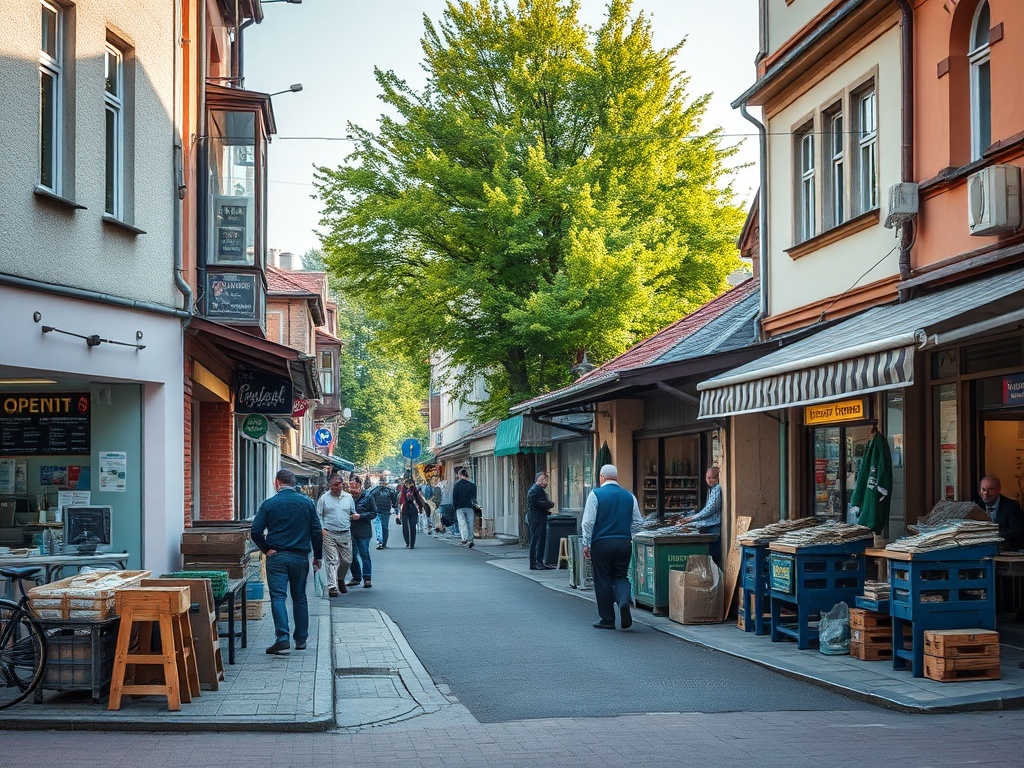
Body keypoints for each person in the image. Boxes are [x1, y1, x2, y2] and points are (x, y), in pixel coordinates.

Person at [251, 469, 323, 654]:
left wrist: (267, 549)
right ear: (294, 483)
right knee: (299, 597)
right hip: (300, 557)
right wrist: (318, 556)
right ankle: (301, 639)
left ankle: (282, 637)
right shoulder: (307, 503)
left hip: (277, 556)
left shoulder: (269, 504)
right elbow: (316, 531)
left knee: (278, 597)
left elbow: (255, 531)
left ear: (277, 483)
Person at [582, 464, 644, 630]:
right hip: (623, 543)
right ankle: (624, 600)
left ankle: (607, 619)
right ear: (616, 477)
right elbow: (638, 522)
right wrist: (629, 535)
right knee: (620, 576)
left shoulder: (595, 495)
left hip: (601, 543)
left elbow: (588, 522)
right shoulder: (629, 496)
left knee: (603, 580)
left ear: (601, 477)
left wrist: (586, 544)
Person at [316, 473, 353, 597]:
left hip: (345, 532)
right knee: (332, 560)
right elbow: (318, 515)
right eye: (333, 485)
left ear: (342, 485)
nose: (335, 487)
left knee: (347, 560)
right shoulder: (324, 498)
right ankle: (332, 586)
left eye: (338, 485)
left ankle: (340, 578)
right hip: (329, 532)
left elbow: (352, 512)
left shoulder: (348, 498)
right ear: (329, 486)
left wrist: (355, 516)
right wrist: (321, 528)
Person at [681, 467, 723, 564]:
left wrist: (693, 518)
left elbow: (710, 510)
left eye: (713, 477)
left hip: (713, 527)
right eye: (708, 477)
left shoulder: (717, 489)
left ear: (718, 478)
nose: (710, 480)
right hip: (709, 526)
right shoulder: (712, 490)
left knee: (713, 557)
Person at [976, 475, 1024, 551]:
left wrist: (994, 536)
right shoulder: (976, 506)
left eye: (990, 489)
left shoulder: (1012, 506)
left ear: (999, 490)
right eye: (983, 489)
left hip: (1007, 551)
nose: (986, 493)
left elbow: (1017, 530)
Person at [345, 476, 377, 588]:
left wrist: (360, 516)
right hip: (349, 530)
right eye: (350, 485)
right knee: (351, 555)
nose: (352, 488)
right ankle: (356, 577)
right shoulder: (346, 497)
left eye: (354, 485)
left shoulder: (367, 496)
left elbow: (374, 513)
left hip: (363, 530)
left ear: (359, 485)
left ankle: (367, 577)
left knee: (364, 553)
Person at [527, 471, 555, 570]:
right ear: (540, 480)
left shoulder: (536, 489)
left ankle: (537, 562)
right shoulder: (537, 490)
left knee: (536, 539)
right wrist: (551, 504)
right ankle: (537, 562)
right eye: (545, 479)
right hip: (537, 518)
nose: (546, 482)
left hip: (536, 517)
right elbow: (542, 503)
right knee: (538, 539)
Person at [367, 476, 398, 550]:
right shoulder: (390, 491)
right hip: (385, 510)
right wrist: (394, 506)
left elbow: (369, 499)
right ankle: (384, 542)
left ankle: (380, 541)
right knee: (385, 527)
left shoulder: (374, 490)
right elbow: (394, 501)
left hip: (376, 510)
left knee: (378, 526)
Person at [452, 467, 479, 548]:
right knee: (470, 523)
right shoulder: (473, 486)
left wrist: (455, 506)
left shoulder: (456, 485)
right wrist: (475, 505)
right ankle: (471, 538)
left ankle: (464, 538)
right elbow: (474, 498)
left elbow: (454, 497)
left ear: (460, 475)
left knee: (462, 523)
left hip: (459, 507)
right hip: (469, 507)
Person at [398, 475, 426, 549]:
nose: (409, 485)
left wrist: (420, 508)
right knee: (409, 526)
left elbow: (418, 500)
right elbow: (400, 501)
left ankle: (410, 542)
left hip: (409, 509)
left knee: (410, 526)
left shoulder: (413, 491)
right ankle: (409, 542)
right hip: (408, 509)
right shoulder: (405, 491)